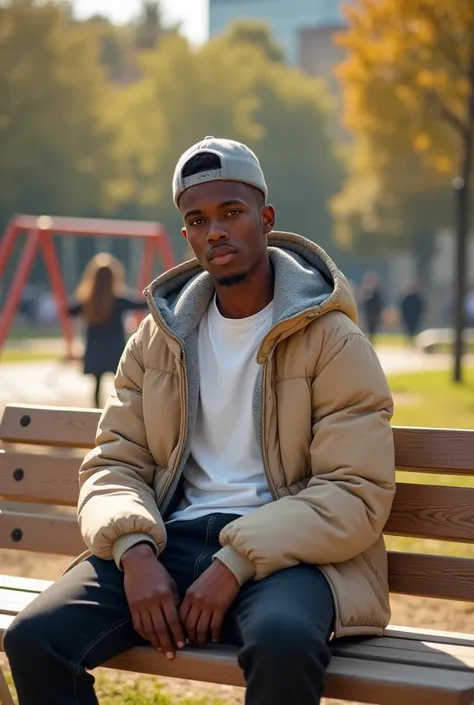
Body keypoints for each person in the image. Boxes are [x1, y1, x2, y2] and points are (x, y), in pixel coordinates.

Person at [4, 137, 395, 705]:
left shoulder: (333, 341)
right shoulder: (157, 339)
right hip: (168, 541)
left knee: (283, 644)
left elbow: (354, 491)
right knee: (37, 639)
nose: (216, 230)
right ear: (185, 234)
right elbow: (114, 463)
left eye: (232, 213)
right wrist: (135, 550)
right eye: (197, 219)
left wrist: (236, 561)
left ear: (265, 219)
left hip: (291, 555)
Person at [67, 253, 148, 408]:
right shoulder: (119, 300)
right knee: (121, 382)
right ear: (113, 278)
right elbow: (141, 304)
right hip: (114, 347)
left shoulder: (87, 301)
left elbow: (70, 310)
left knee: (96, 385)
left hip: (95, 348)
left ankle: (96, 410)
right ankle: (120, 410)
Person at [358, 271, 385, 345]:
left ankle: (371, 343)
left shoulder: (377, 292)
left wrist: (380, 315)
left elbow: (379, 304)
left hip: (374, 314)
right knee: (363, 330)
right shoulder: (364, 291)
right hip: (366, 314)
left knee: (373, 330)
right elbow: (361, 303)